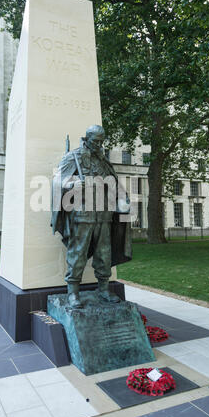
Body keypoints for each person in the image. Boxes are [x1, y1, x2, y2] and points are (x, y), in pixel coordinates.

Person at [51, 124, 132, 308]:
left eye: (102, 141)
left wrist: (122, 200)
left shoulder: (103, 161)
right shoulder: (73, 157)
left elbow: (114, 184)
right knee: (78, 254)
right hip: (82, 214)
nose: (99, 145)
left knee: (104, 254)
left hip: (104, 214)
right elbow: (58, 180)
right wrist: (72, 184)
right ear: (87, 139)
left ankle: (103, 290)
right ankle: (73, 293)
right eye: (96, 141)